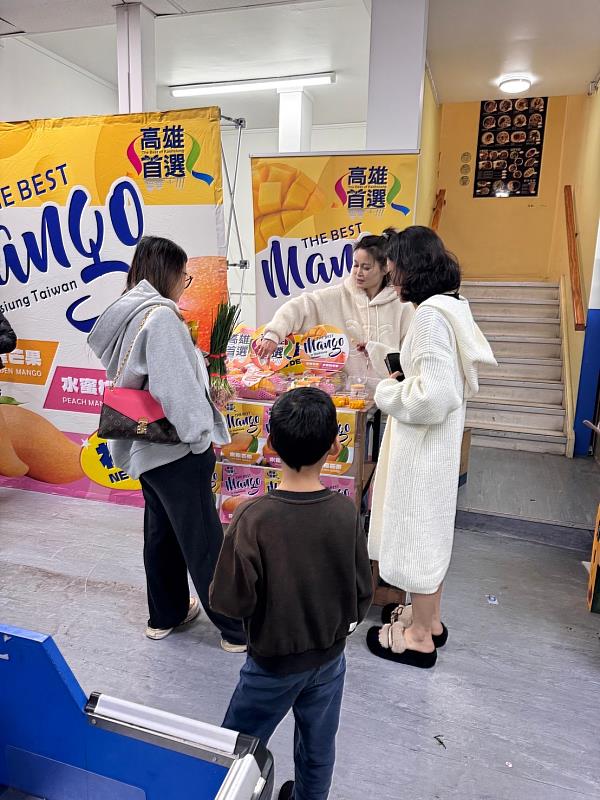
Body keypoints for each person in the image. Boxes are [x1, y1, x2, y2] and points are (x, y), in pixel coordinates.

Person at [210, 387, 373, 800]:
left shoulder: (253, 516)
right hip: (330, 658)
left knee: (236, 748)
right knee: (318, 748)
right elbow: (361, 591)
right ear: (335, 446)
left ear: (269, 443)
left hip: (271, 665)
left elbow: (229, 600)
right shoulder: (345, 512)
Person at [88, 235, 246, 652]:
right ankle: (236, 629)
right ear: (170, 273)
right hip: (176, 448)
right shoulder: (160, 319)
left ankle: (166, 615)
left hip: (145, 447)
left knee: (161, 534)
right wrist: (198, 439)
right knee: (204, 540)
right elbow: (176, 390)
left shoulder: (125, 316)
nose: (185, 283)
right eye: (185, 275)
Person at [366, 226, 496, 669]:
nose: (389, 274)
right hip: (436, 450)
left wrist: (387, 392)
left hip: (423, 453)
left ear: (408, 268)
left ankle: (419, 636)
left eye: (392, 265)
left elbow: (434, 397)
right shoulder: (452, 308)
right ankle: (431, 620)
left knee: (419, 539)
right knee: (432, 537)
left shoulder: (427, 317)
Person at [255, 235, 414, 393]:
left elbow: (409, 359)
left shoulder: (402, 306)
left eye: (366, 267)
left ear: (385, 268)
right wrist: (273, 334)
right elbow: (299, 307)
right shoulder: (337, 296)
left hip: (389, 402)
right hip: (345, 400)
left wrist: (375, 350)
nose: (358, 272)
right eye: (355, 265)